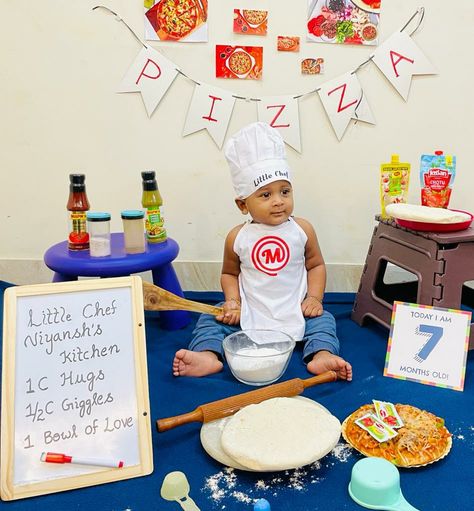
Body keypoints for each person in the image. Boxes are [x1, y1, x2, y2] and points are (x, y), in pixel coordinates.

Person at [173, 122, 352, 381]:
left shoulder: (302, 229)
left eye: (285, 191)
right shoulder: (237, 237)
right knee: (211, 317)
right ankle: (207, 356)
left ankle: (321, 355)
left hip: (294, 307)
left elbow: (316, 265)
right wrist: (233, 302)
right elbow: (229, 274)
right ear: (242, 204)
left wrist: (314, 298)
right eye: (265, 195)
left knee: (324, 321)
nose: (278, 200)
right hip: (250, 308)